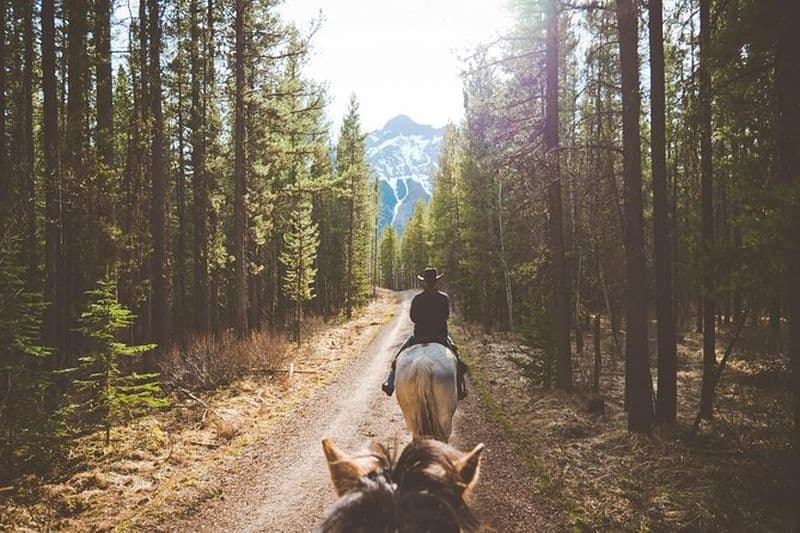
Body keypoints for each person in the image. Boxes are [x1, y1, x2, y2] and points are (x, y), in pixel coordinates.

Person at [381, 267, 468, 400]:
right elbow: (445, 316)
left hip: (419, 337)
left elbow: (413, 318)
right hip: (440, 337)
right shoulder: (444, 298)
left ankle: (390, 382)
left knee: (398, 356)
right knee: (457, 358)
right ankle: (461, 387)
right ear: (436, 282)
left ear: (424, 282)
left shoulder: (417, 299)